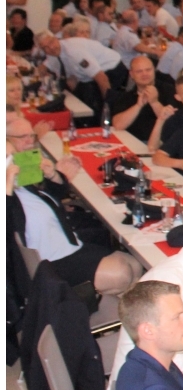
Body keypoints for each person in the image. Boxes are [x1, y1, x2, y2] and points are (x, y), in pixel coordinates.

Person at [6, 117, 144, 293]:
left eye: (31, 136)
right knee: (122, 274)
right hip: (48, 262)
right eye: (6, 157)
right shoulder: (8, 192)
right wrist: (8, 184)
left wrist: (54, 176)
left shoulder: (23, 177)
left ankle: (120, 309)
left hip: (67, 243)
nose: (29, 142)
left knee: (135, 265)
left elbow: (51, 200)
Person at [35, 30, 127, 122]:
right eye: (45, 47)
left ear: (56, 38)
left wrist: (107, 107)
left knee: (98, 109)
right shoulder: (53, 53)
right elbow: (47, 69)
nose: (51, 48)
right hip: (88, 78)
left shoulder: (74, 52)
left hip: (112, 71)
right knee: (76, 101)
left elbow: (102, 78)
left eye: (51, 42)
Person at [109, 56, 171, 143]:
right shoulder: (126, 96)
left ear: (154, 70)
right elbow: (118, 125)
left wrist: (154, 102)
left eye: (148, 70)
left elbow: (173, 124)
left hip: (162, 144)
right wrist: (138, 105)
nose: (144, 74)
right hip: (132, 143)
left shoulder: (170, 90)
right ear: (131, 74)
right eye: (139, 71)